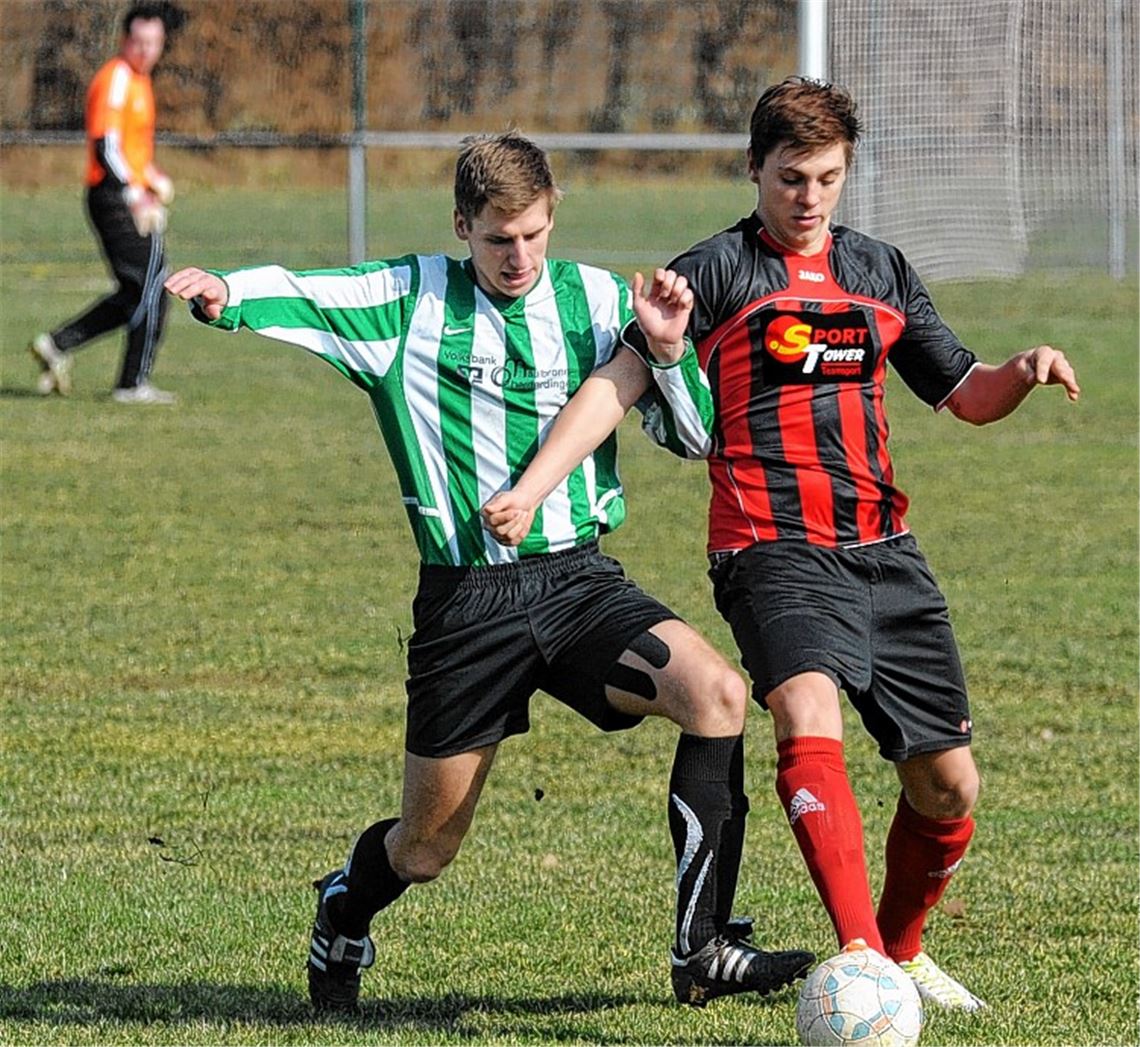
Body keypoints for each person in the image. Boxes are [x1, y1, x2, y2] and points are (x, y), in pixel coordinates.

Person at [164, 131, 813, 1013]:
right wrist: (226, 293)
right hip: (468, 604)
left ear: (553, 219)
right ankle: (343, 908)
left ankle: (702, 948)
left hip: (580, 585)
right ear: (462, 226)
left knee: (717, 695)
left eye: (535, 235)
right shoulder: (408, 298)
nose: (520, 257)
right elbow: (308, 292)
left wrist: (666, 353)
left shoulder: (593, 299)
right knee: (424, 849)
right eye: (499, 239)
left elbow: (694, 438)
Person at [482, 78, 1080, 1014]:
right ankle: (862, 961)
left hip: (887, 551)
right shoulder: (713, 272)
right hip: (771, 549)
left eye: (828, 177)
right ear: (754, 168)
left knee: (948, 786)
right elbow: (618, 383)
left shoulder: (878, 270)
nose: (810, 196)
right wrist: (531, 486)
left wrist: (1024, 371)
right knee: (807, 714)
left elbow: (965, 392)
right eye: (792, 176)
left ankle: (901, 953)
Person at [30, 2, 179, 404]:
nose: (146, 50)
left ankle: (58, 344)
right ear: (124, 40)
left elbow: (132, 154)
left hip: (126, 194)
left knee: (138, 289)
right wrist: (134, 196)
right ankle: (132, 385)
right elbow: (106, 147)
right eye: (139, 42)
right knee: (153, 283)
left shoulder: (140, 82)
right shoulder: (116, 78)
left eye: (154, 42)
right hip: (113, 197)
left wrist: (154, 180)